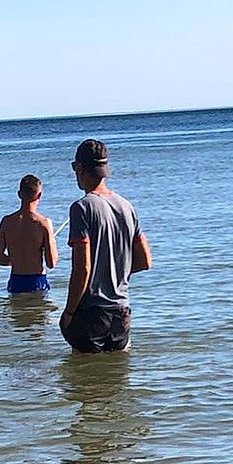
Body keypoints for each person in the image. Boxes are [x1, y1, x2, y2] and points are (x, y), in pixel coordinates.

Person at [59, 138, 151, 354]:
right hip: (121, 313)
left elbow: (82, 269)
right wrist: (114, 272)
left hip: (91, 313)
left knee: (85, 383)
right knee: (115, 382)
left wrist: (69, 313)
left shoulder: (81, 208)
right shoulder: (126, 206)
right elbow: (145, 261)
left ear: (79, 168)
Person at [0, 175, 58, 295]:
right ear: (39, 195)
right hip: (37, 281)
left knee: (17, 313)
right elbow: (51, 263)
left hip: (16, 281)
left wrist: (15, 260)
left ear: (19, 194)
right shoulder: (43, 223)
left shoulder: (7, 222)